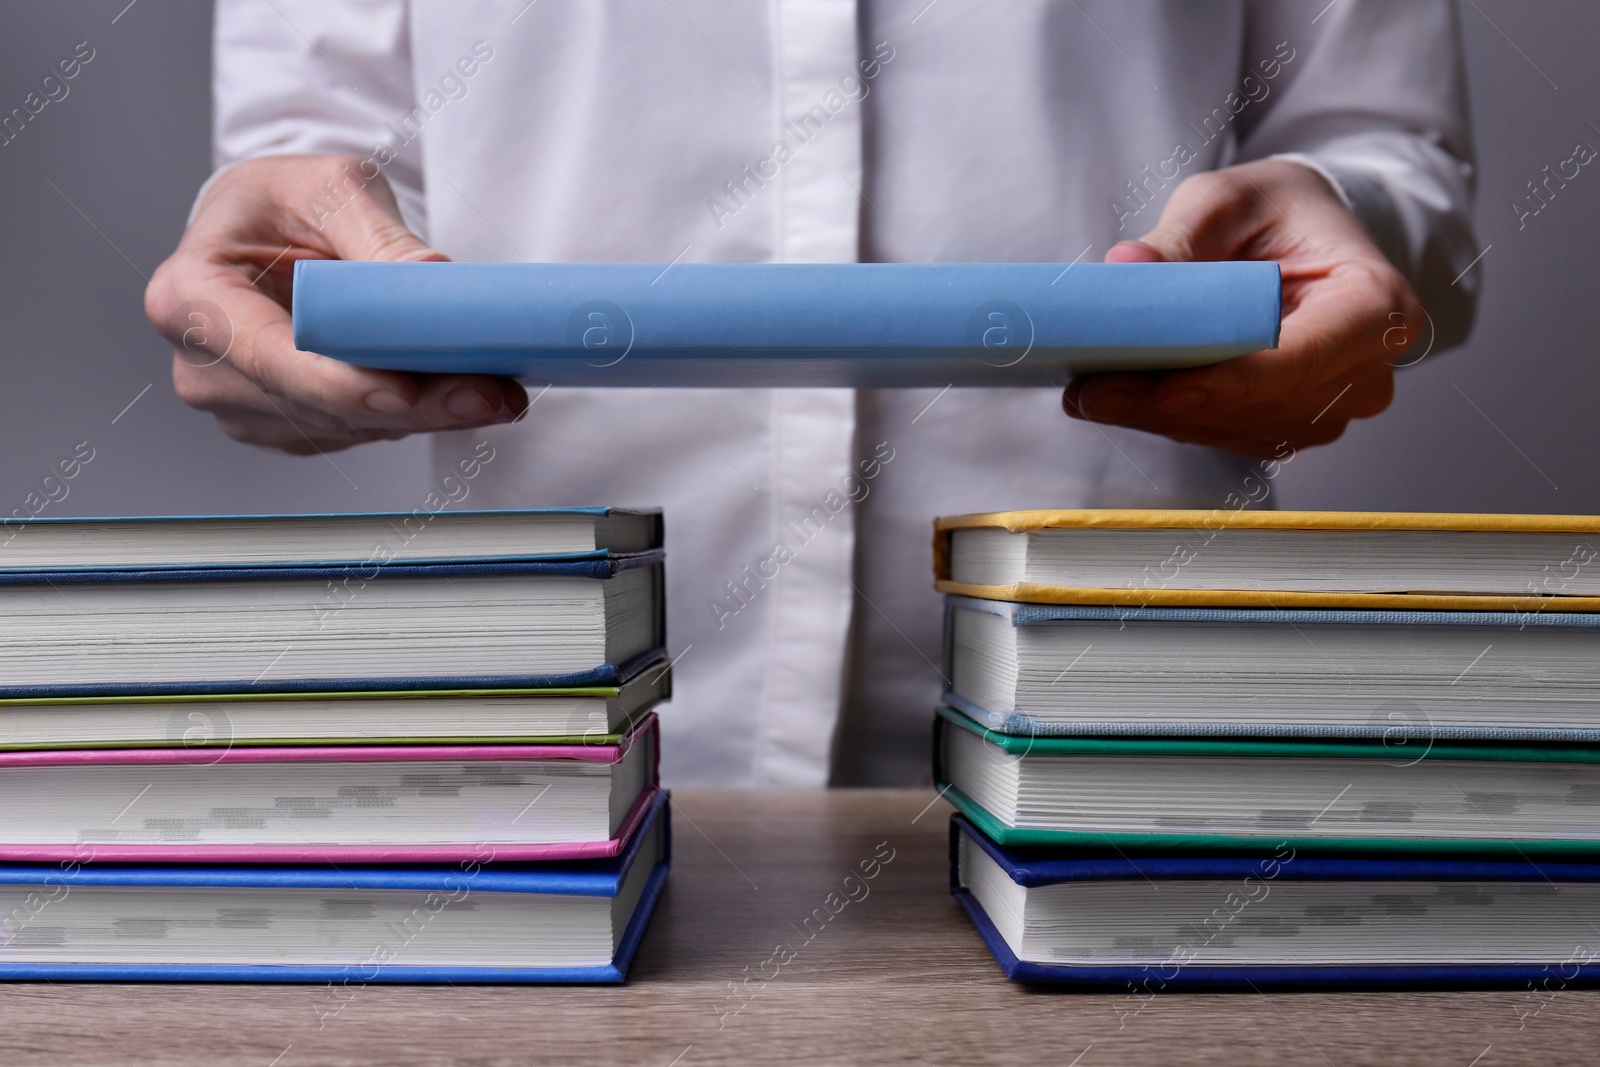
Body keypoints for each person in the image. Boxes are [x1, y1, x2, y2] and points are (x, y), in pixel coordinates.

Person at [145, 1, 1478, 788]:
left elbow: (1384, 151)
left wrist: (1357, 239)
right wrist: (274, 274)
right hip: (559, 749)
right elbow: (311, 171)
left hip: (1125, 736)